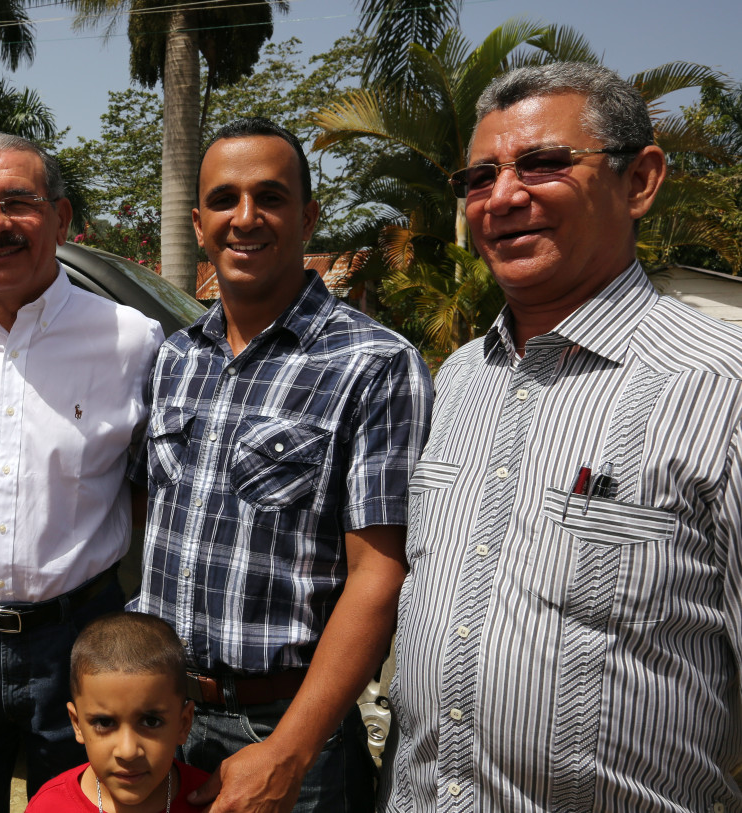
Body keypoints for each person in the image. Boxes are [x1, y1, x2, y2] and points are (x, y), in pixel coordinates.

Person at [380, 62, 742, 812]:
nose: (503, 197)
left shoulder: (720, 388)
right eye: (480, 177)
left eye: (543, 163)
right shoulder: (458, 380)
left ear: (639, 181)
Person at [131, 117, 433, 813]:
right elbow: (151, 518)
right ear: (198, 223)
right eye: (223, 200)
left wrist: (289, 750)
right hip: (164, 716)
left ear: (308, 216)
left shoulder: (375, 363)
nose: (245, 218)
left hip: (286, 729)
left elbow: (380, 574)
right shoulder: (177, 357)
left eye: (269, 196)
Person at [0, 132, 165, 811]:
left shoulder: (132, 341)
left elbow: (150, 486)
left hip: (83, 641)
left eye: (17, 202)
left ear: (61, 217)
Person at [27, 612, 208, 813]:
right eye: (104, 723)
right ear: (77, 724)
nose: (128, 752)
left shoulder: (215, 803)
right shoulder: (49, 807)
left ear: (183, 723)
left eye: (151, 722)